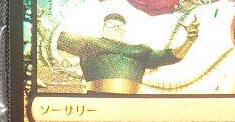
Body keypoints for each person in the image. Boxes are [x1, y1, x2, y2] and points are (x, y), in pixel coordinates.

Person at [57, 12, 198, 93]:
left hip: (132, 104)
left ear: (124, 30)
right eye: (111, 25)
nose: (116, 28)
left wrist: (190, 39)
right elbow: (56, 37)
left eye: (119, 26)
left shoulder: (141, 50)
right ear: (104, 28)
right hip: (97, 100)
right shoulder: (88, 43)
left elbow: (173, 56)